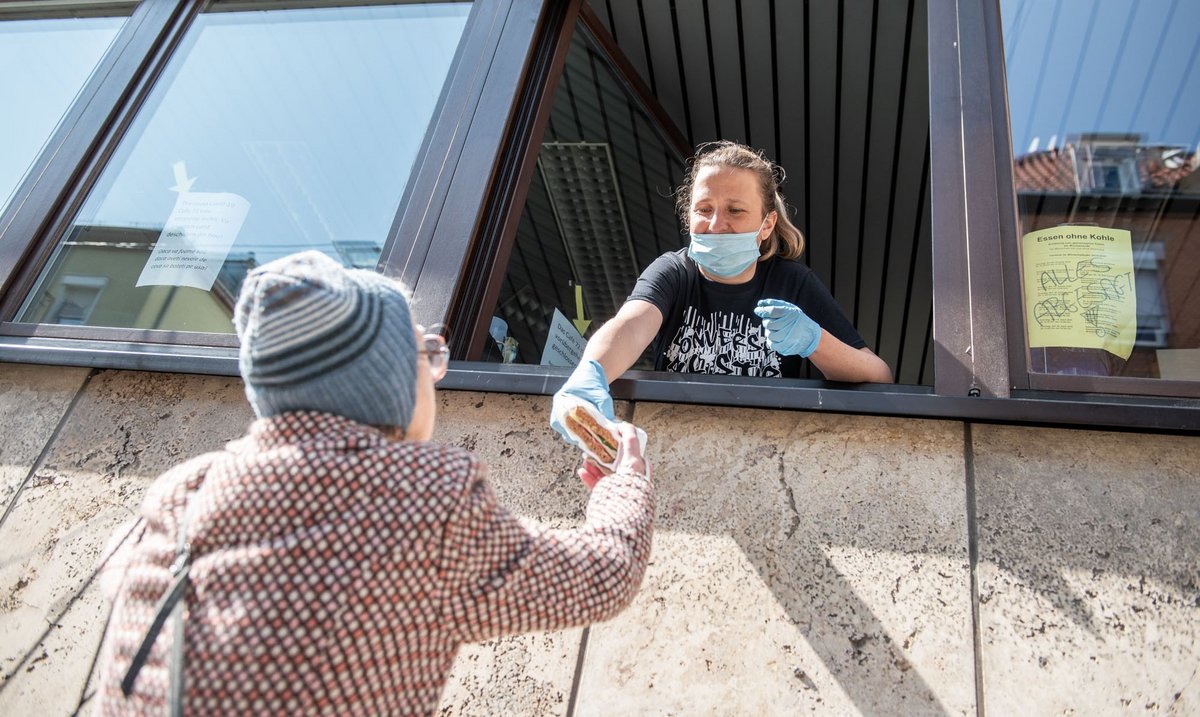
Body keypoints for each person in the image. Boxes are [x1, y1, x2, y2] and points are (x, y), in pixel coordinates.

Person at [93, 251, 654, 716]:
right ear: (383, 381)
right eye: (425, 353)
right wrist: (623, 482)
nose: (436, 371)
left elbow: (116, 574)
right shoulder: (427, 498)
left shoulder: (184, 489)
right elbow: (605, 576)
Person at [551, 141, 892, 440]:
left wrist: (814, 341)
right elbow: (631, 325)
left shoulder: (793, 283)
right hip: (674, 440)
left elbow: (878, 376)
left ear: (767, 224)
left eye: (735, 210)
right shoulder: (674, 271)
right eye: (704, 209)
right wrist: (590, 375)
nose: (716, 225)